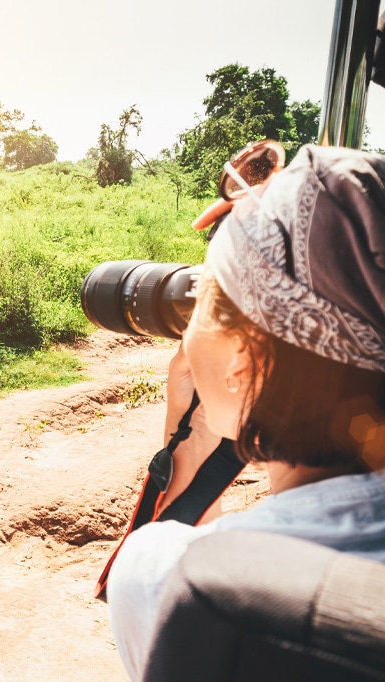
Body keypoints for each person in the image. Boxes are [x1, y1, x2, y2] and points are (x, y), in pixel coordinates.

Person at [106, 144, 385, 681]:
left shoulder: (173, 577)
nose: (187, 329)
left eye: (207, 296)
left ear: (246, 354)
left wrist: (185, 446)